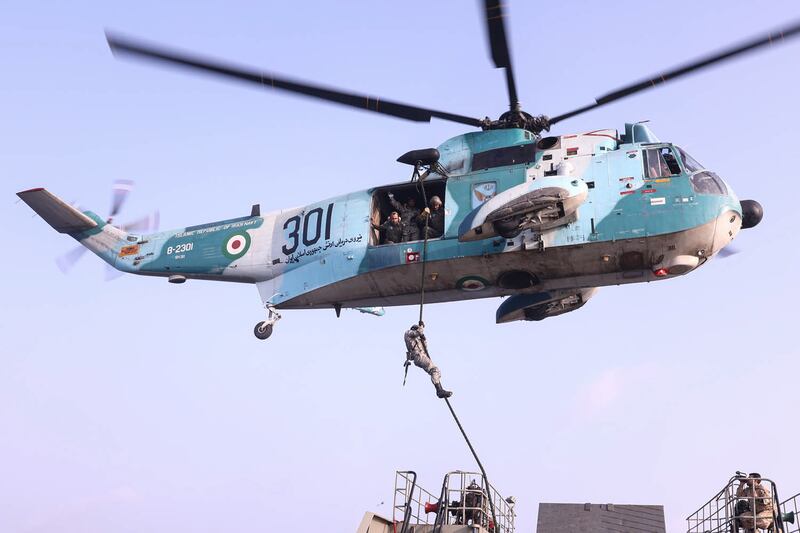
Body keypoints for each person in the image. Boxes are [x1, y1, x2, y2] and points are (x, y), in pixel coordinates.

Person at [403, 322, 452, 399]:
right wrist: (421, 326)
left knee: (436, 372)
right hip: (419, 356)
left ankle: (439, 388)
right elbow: (419, 332)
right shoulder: (408, 333)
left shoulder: (417, 339)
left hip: (422, 356)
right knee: (434, 370)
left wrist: (423, 338)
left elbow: (425, 347)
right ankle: (439, 390)